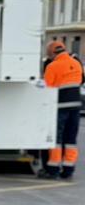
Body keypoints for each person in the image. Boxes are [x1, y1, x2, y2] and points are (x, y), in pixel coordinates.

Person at [39, 39, 81, 179]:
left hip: (59, 107)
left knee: (56, 139)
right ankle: (68, 169)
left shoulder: (52, 66)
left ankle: (53, 169)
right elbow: (80, 81)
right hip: (75, 106)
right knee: (71, 139)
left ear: (51, 52)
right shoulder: (76, 63)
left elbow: (47, 86)